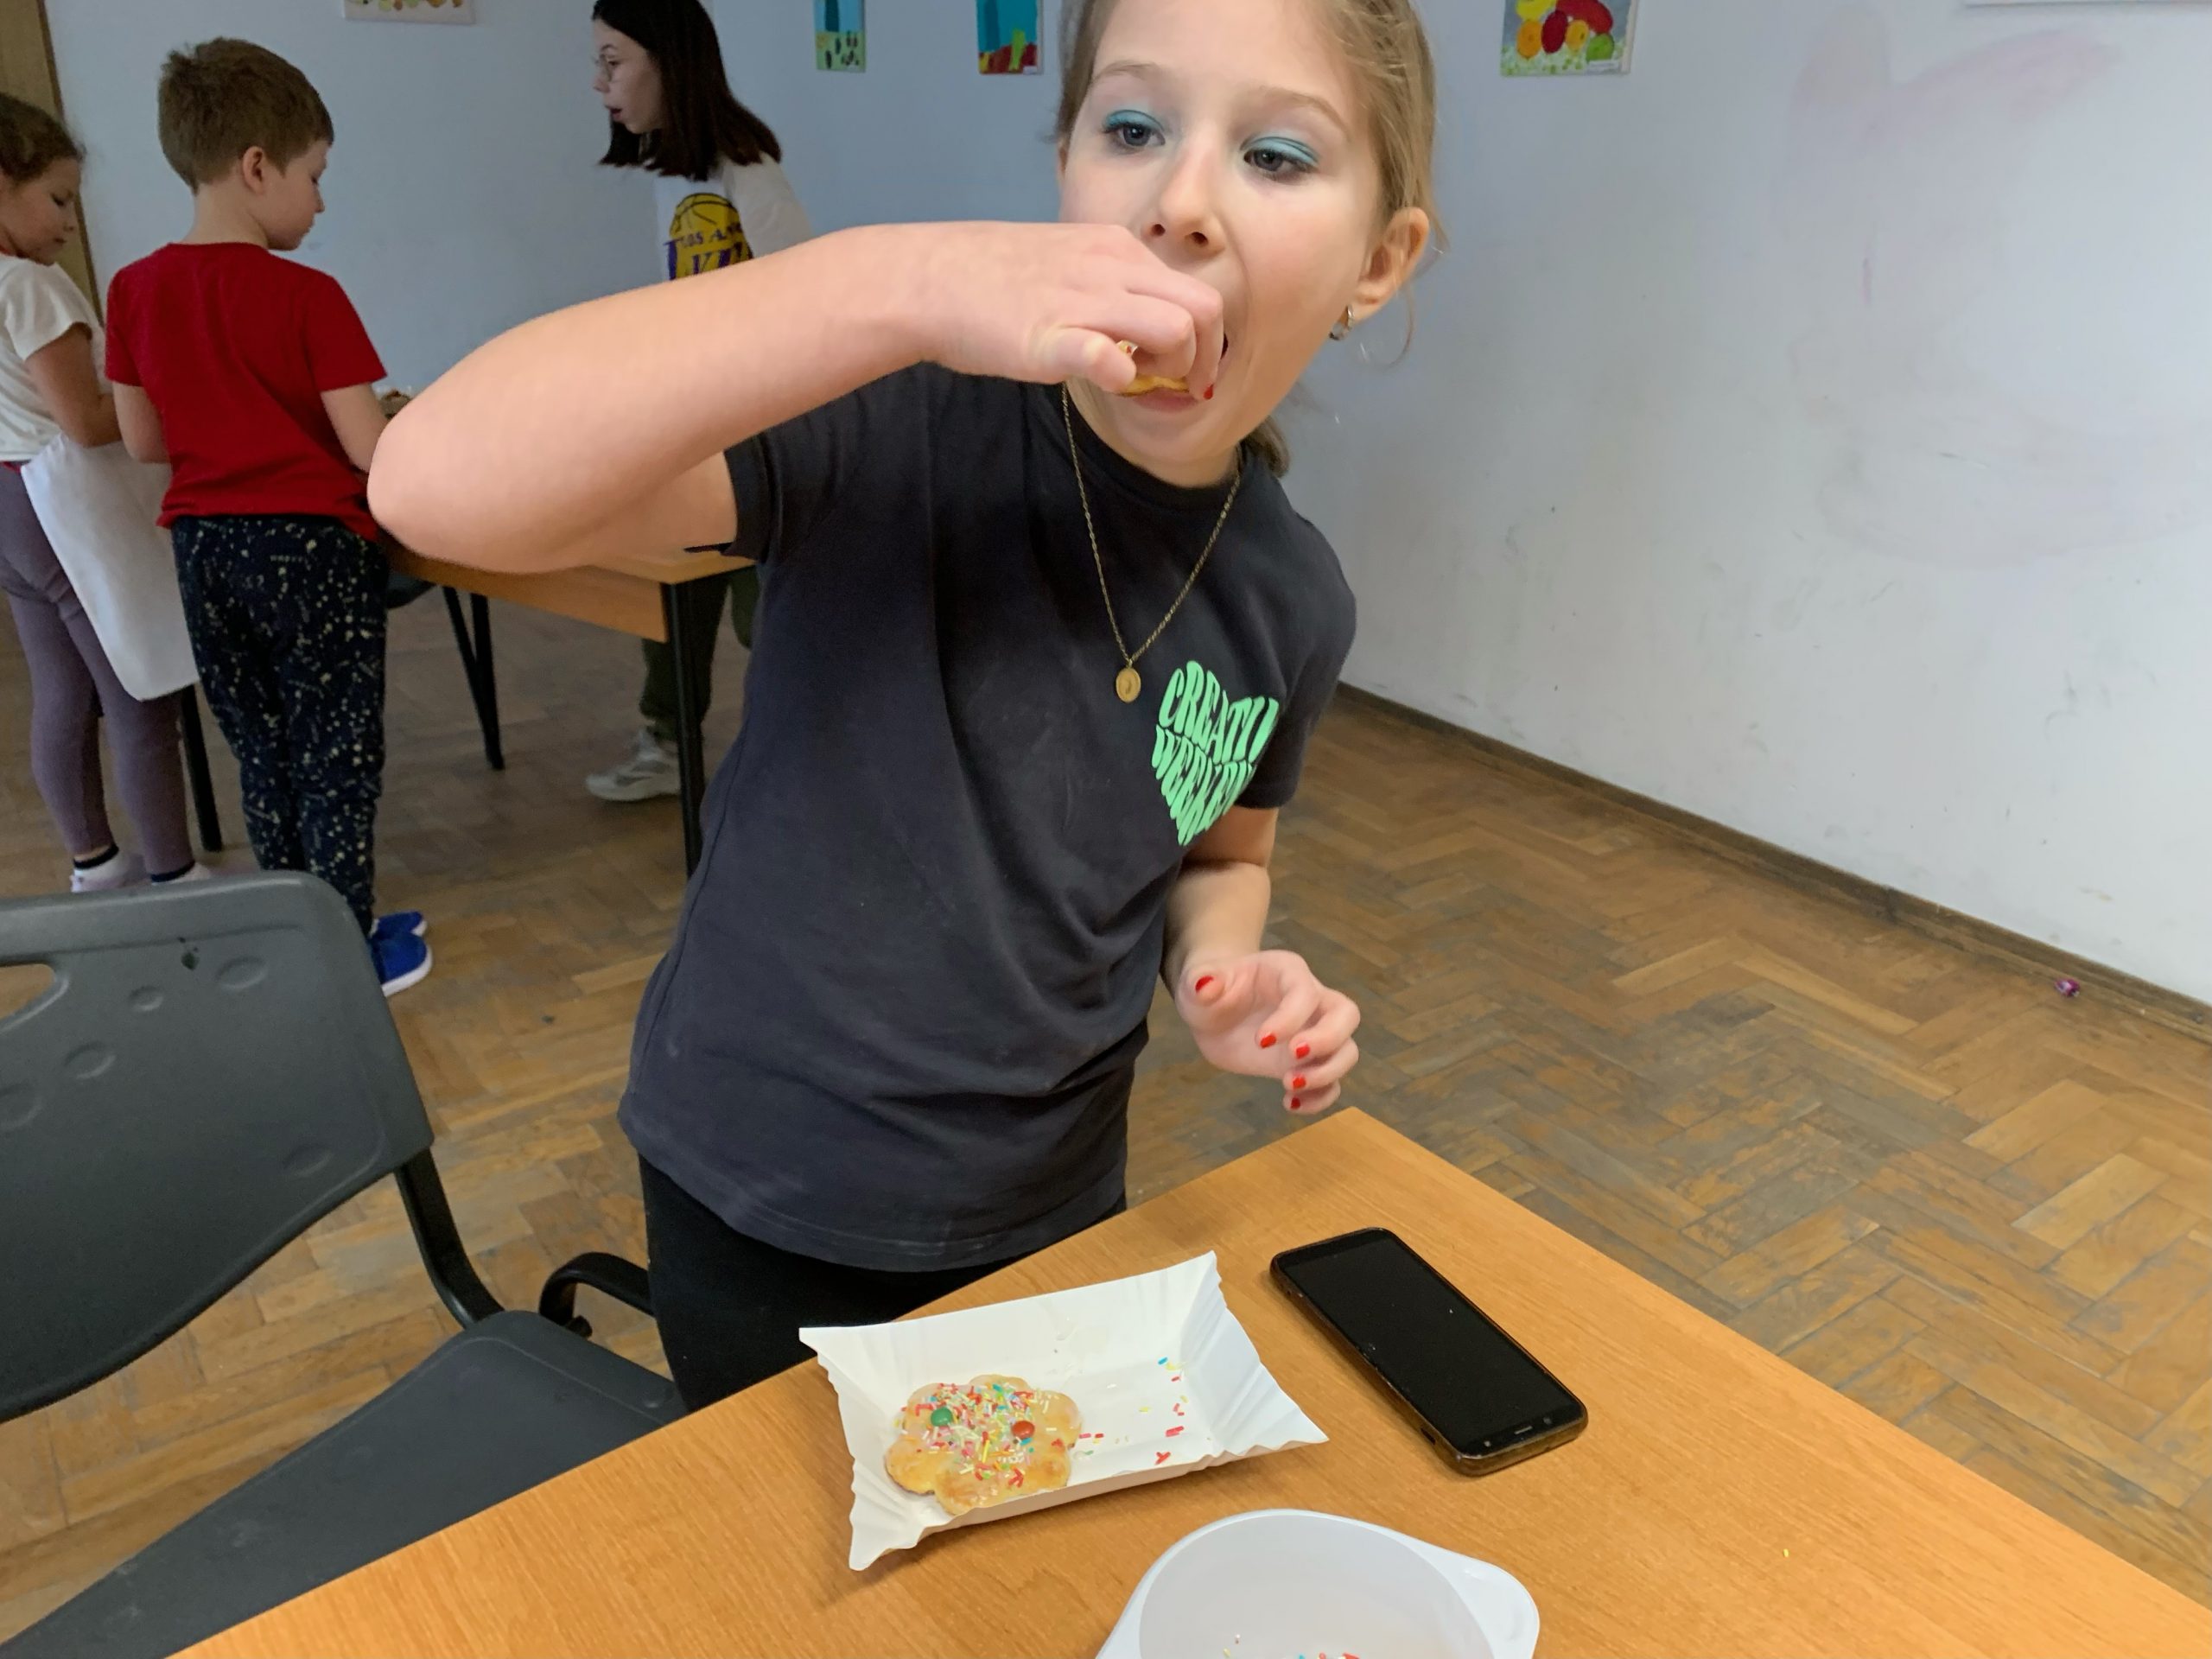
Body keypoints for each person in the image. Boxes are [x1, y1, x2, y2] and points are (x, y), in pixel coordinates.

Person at [374, 0, 1435, 1408]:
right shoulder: (897, 419)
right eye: (1132, 127)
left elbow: (1221, 850)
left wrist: (1223, 970)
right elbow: (431, 482)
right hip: (762, 1191)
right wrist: (890, 284)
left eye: (1277, 155)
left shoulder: (1292, 600)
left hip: (1049, 1206)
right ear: (1063, 171)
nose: (1182, 200)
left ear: (1378, 263)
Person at [105, 39, 429, 994]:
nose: (320, 202)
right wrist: (409, 422)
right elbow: (369, 451)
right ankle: (346, 953)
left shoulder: (132, 289)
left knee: (264, 751)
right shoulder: (309, 296)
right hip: (312, 550)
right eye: (314, 176)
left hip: (205, 551)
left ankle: (292, 935)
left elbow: (145, 443)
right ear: (257, 167)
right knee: (337, 753)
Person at [585, 0, 810, 804]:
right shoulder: (664, 170)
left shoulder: (747, 166)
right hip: (688, 424)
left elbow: (803, 295)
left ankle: (805, 751)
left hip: (757, 433)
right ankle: (667, 738)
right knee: (676, 587)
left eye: (614, 61)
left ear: (670, 61)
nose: (600, 83)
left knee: (763, 613)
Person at [0, 95, 206, 894]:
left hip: (9, 506)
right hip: (59, 506)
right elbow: (85, 422)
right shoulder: (32, 287)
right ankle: (173, 874)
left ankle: (95, 865)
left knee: (60, 686)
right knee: (138, 685)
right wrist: (168, 390)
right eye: (57, 199)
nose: (70, 221)